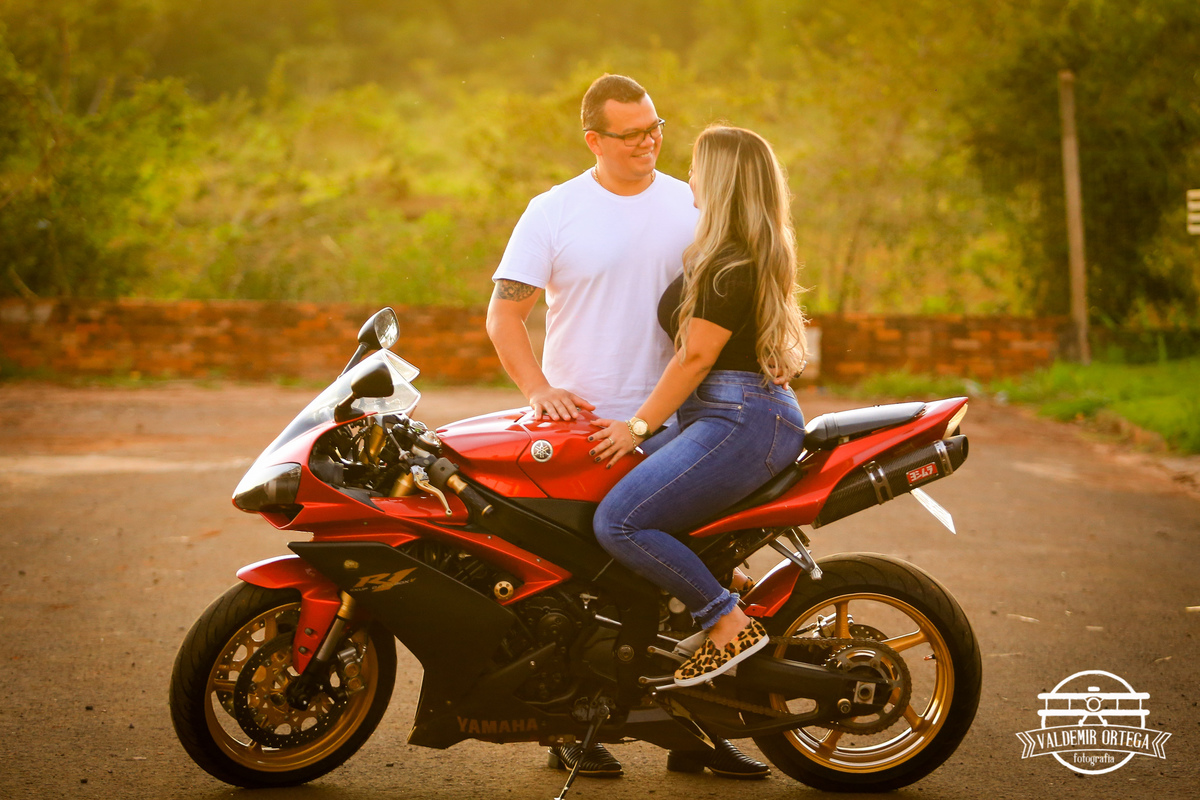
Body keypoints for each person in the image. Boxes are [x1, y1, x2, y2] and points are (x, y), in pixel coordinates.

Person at [487, 76, 770, 779]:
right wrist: (537, 389)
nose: (649, 142)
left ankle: (698, 732)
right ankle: (571, 727)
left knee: (691, 569)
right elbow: (505, 315)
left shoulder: (692, 204)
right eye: (632, 133)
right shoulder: (553, 211)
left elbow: (735, 297)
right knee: (579, 583)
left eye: (656, 128)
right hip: (582, 427)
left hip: (679, 419)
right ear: (594, 140)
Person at [589, 125, 809, 689]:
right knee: (602, 486)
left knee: (619, 522)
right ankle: (705, 596)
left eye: (695, 167)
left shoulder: (728, 263)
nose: (687, 176)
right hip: (732, 412)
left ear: (718, 179)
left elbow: (695, 358)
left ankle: (725, 622)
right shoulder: (731, 255)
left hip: (738, 418)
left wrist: (638, 426)